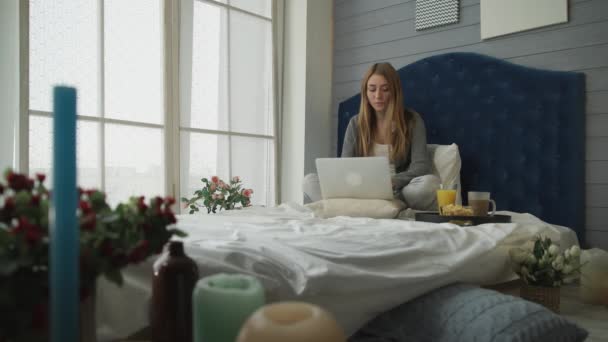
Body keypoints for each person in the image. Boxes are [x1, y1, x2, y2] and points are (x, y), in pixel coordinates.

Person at [303, 62, 440, 210]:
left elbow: (421, 166)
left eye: (385, 89)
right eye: (372, 89)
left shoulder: (412, 120)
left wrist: (390, 182)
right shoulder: (355, 123)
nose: (378, 96)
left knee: (429, 184)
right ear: (365, 92)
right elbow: (345, 166)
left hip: (397, 191)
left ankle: (356, 208)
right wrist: (361, 186)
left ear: (395, 91)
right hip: (361, 191)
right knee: (309, 181)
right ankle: (375, 208)